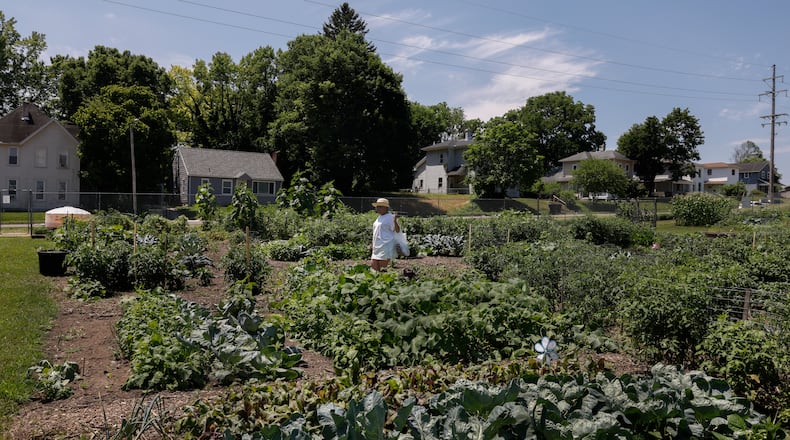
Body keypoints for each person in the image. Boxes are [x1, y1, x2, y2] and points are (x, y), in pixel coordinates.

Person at [370, 197, 400, 271]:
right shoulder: (379, 218)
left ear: (386, 208)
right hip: (377, 246)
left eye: (380, 207)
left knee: (383, 268)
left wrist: (395, 221)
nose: (377, 208)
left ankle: (384, 282)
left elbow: (397, 230)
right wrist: (372, 244)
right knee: (374, 267)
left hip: (385, 246)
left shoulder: (390, 217)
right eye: (377, 207)